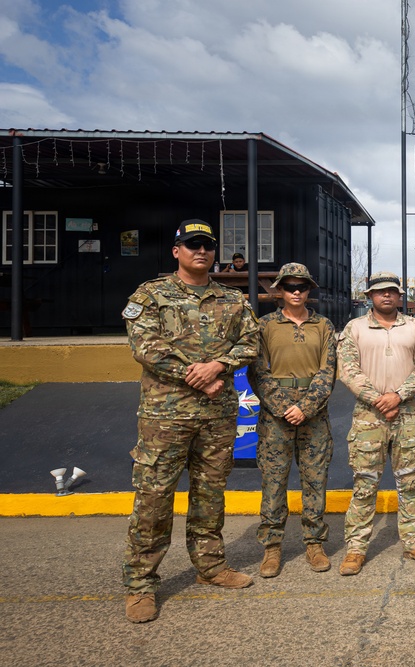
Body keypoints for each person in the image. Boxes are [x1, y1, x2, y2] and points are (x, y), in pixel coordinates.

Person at [120, 219, 259, 623]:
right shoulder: (151, 295)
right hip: (166, 415)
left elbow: (249, 343)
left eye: (208, 245)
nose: (201, 251)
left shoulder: (233, 300)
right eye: (192, 244)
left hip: (216, 416)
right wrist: (194, 376)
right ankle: (141, 583)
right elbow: (144, 346)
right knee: (154, 497)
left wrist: (218, 365)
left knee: (210, 493)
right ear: (176, 251)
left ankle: (211, 566)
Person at [337, 271, 415, 575]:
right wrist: (378, 399)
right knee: (365, 484)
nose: (387, 296)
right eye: (380, 292)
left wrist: (398, 395)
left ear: (399, 296)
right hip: (369, 416)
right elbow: (347, 369)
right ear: (370, 296)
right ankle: (355, 548)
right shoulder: (354, 329)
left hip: (405, 414)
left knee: (409, 482)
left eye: (392, 291)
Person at [251, 263, 337, 577]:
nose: (296, 292)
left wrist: (306, 407)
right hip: (277, 417)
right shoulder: (265, 325)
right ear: (280, 291)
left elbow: (328, 372)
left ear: (309, 289)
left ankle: (314, 542)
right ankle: (272, 547)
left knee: (315, 481)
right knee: (274, 482)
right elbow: (258, 372)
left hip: (313, 415)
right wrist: (285, 407)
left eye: (302, 286)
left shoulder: (323, 326)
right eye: (289, 287)